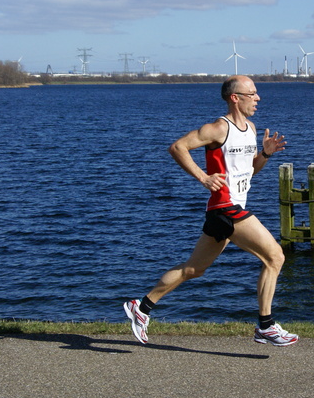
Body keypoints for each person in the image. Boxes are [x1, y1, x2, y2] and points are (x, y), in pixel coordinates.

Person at [124, 75, 298, 347]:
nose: (258, 98)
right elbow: (177, 147)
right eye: (252, 93)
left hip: (231, 208)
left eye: (256, 93)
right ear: (235, 98)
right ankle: (265, 326)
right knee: (275, 257)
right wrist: (203, 178)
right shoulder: (218, 128)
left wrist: (264, 154)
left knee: (193, 269)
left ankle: (141, 307)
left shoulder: (251, 128)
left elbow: (249, 171)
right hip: (224, 207)